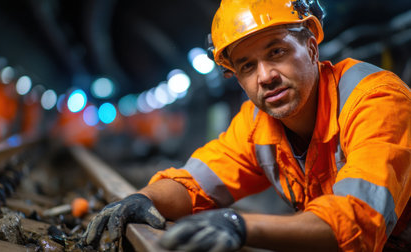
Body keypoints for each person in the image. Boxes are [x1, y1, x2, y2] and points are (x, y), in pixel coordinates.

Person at [81, 0, 411, 251]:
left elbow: (359, 221)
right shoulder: (257, 124)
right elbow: (196, 183)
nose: (265, 76)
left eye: (277, 52)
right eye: (247, 66)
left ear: (311, 48)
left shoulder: (375, 99)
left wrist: (239, 226)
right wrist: (141, 198)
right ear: (236, 77)